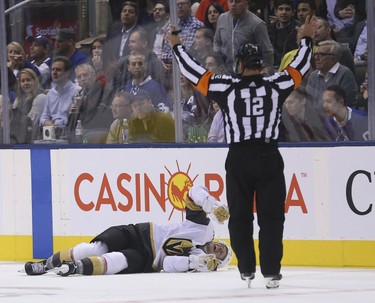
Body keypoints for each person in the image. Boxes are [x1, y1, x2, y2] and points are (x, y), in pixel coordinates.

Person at [168, 15, 317, 288]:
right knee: (272, 217)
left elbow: (194, 73)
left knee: (240, 216)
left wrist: (177, 47)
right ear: (261, 65)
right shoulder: (276, 85)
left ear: (239, 64)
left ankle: (246, 269)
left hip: (238, 158)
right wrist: (306, 40)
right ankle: (271, 271)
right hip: (269, 156)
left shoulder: (227, 87)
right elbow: (301, 66)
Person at [24, 184, 232, 276]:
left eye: (219, 255)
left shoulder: (196, 258)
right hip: (138, 232)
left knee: (115, 261)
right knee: (95, 249)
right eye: (221, 248)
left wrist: (194, 262)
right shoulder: (204, 228)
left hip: (146, 258)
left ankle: (73, 268)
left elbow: (167, 264)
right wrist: (211, 205)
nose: (216, 249)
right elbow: (193, 191)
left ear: (215, 261)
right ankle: (46, 264)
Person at [213, 0, 274, 74]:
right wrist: (218, 61)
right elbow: (217, 42)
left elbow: (267, 51)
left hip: (248, 74)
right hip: (226, 72)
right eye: (231, 1)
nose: (233, 4)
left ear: (246, 3)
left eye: (238, 2)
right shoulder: (222, 19)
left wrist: (265, 70)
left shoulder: (257, 24)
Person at [66, 63, 113, 144]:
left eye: (85, 75)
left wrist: (82, 106)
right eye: (79, 77)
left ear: (94, 76)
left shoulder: (104, 92)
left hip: (98, 133)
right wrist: (71, 113)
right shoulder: (77, 95)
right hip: (79, 133)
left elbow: (99, 117)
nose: (83, 79)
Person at [305, 39, 358, 110]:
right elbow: (308, 102)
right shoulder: (313, 75)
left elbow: (346, 103)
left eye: (321, 55)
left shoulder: (345, 73)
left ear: (333, 59)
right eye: (316, 54)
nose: (317, 58)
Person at [40, 56, 80, 127]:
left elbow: (75, 118)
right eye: (53, 70)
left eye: (58, 70)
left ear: (67, 73)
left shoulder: (77, 91)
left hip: (69, 131)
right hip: (51, 131)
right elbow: (43, 117)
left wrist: (58, 123)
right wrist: (46, 122)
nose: (54, 73)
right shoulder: (50, 93)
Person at [13, 68, 46, 140]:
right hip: (19, 137)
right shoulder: (18, 99)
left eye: (28, 80)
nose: (25, 83)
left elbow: (30, 123)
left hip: (35, 139)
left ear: (35, 81)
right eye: (23, 81)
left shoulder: (41, 97)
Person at [267, 0, 300, 67]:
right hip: (273, 65)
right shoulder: (269, 29)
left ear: (293, 12)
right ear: (276, 12)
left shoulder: (298, 29)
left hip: (292, 65)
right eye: (281, 9)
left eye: (287, 9)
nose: (284, 12)